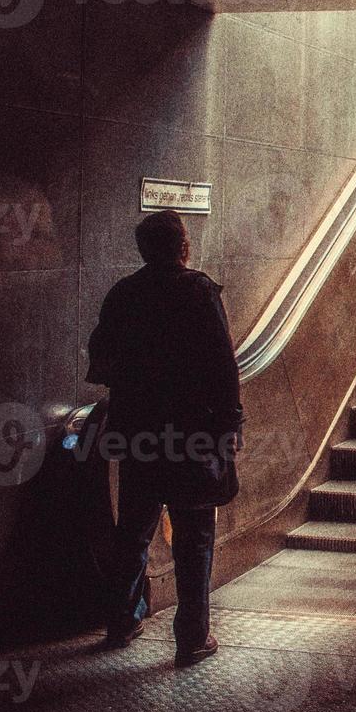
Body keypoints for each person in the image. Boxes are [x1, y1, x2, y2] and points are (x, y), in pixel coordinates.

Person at [86, 210, 243, 667]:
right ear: (182, 246)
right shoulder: (198, 291)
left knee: (133, 528)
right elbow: (223, 364)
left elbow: (100, 362)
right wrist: (230, 424)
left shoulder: (124, 293)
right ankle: (192, 636)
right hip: (191, 435)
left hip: (139, 433)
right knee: (194, 533)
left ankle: (121, 620)